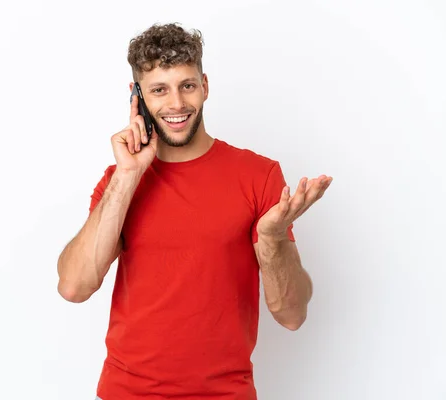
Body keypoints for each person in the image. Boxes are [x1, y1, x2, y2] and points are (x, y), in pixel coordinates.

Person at [57, 22, 333, 400]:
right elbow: (74, 287)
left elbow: (292, 314)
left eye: (186, 85)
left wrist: (270, 240)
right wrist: (128, 175)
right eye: (158, 90)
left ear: (204, 86)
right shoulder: (119, 180)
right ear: (137, 96)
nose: (175, 104)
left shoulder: (259, 175)